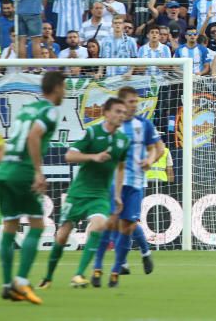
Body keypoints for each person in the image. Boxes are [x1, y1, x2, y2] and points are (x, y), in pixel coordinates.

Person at [39, 97, 129, 290]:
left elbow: (121, 167)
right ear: (106, 113)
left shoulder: (123, 140)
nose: (121, 115)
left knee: (99, 226)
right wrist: (93, 157)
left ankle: (78, 275)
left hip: (100, 195)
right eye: (117, 111)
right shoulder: (92, 133)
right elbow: (69, 155)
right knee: (62, 235)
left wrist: (118, 194)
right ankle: (47, 277)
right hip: (78, 193)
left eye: (123, 112)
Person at [0, 71, 67, 304]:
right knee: (37, 224)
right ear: (57, 88)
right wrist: (38, 171)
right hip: (23, 172)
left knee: (10, 225)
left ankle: (7, 285)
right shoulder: (49, 111)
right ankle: (21, 281)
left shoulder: (28, 109)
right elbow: (34, 136)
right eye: (64, 87)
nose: (65, 92)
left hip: (6, 170)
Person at [91, 86, 163, 288]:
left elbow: (156, 149)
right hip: (114, 181)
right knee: (111, 223)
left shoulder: (145, 124)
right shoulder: (113, 126)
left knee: (129, 225)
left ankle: (121, 265)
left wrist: (150, 160)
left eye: (136, 101)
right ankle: (100, 268)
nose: (135, 105)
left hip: (137, 182)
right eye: (131, 101)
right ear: (122, 103)